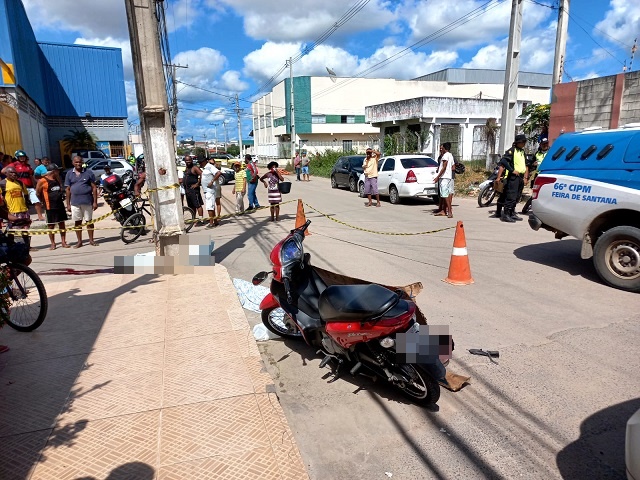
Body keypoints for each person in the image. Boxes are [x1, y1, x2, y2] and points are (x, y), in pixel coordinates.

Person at [65, 155, 99, 247]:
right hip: (75, 202)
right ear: (73, 163)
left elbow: (94, 188)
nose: (78, 164)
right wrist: (68, 204)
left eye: (80, 162)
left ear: (83, 162)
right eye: (76, 162)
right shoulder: (69, 174)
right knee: (77, 222)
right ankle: (79, 241)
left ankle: (91, 240)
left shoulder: (88, 173)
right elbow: (67, 190)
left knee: (89, 221)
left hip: (87, 201)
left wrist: (95, 202)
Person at [495, 134, 528, 223]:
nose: (524, 144)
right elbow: (503, 161)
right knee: (511, 196)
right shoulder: (511, 151)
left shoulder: (522, 152)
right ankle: (506, 214)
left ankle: (512, 212)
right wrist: (511, 170)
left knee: (517, 196)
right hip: (513, 177)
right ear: (518, 142)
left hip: (520, 177)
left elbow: (525, 164)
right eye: (523, 142)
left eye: (525, 142)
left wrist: (525, 177)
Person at [36, 163, 70, 250]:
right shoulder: (42, 181)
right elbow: (38, 193)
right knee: (51, 226)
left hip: (60, 205)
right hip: (49, 206)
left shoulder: (57, 179)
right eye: (57, 170)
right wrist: (43, 201)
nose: (59, 172)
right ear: (53, 171)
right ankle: (53, 243)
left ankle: (63, 241)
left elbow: (61, 189)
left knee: (62, 224)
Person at [7, 150, 44, 221]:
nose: (22, 158)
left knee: (36, 200)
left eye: (23, 157)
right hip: (19, 187)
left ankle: (40, 216)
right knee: (22, 203)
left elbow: (31, 176)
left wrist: (35, 185)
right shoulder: (14, 165)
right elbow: (4, 171)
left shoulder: (28, 166)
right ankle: (24, 217)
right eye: (20, 157)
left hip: (30, 187)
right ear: (17, 157)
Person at [2, 166, 32, 247]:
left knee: (25, 229)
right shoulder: (3, 184)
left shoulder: (20, 183)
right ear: (6, 174)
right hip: (12, 211)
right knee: (12, 230)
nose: (14, 174)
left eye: (15, 172)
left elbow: (26, 194)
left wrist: (26, 206)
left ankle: (27, 246)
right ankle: (10, 245)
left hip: (23, 210)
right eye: (11, 172)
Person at [433, 142, 455, 218]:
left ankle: (449, 211)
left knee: (445, 195)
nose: (441, 149)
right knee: (447, 195)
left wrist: (437, 177)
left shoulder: (445, 156)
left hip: (444, 178)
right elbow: (453, 167)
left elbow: (444, 167)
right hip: (449, 177)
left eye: (442, 148)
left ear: (445, 148)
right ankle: (445, 211)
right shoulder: (451, 155)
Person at [201, 157, 221, 228]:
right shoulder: (205, 168)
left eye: (200, 162)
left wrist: (212, 181)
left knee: (209, 207)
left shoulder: (209, 167)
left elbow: (218, 173)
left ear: (204, 161)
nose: (200, 163)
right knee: (211, 206)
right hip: (207, 190)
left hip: (210, 190)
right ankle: (215, 221)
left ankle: (211, 223)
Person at [182, 156, 204, 223]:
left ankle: (201, 220)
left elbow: (202, 174)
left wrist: (197, 184)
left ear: (191, 160)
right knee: (191, 206)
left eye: (189, 160)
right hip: (187, 190)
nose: (188, 161)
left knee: (198, 205)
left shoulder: (194, 168)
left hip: (194, 190)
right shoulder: (186, 169)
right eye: (186, 160)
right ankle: (194, 219)